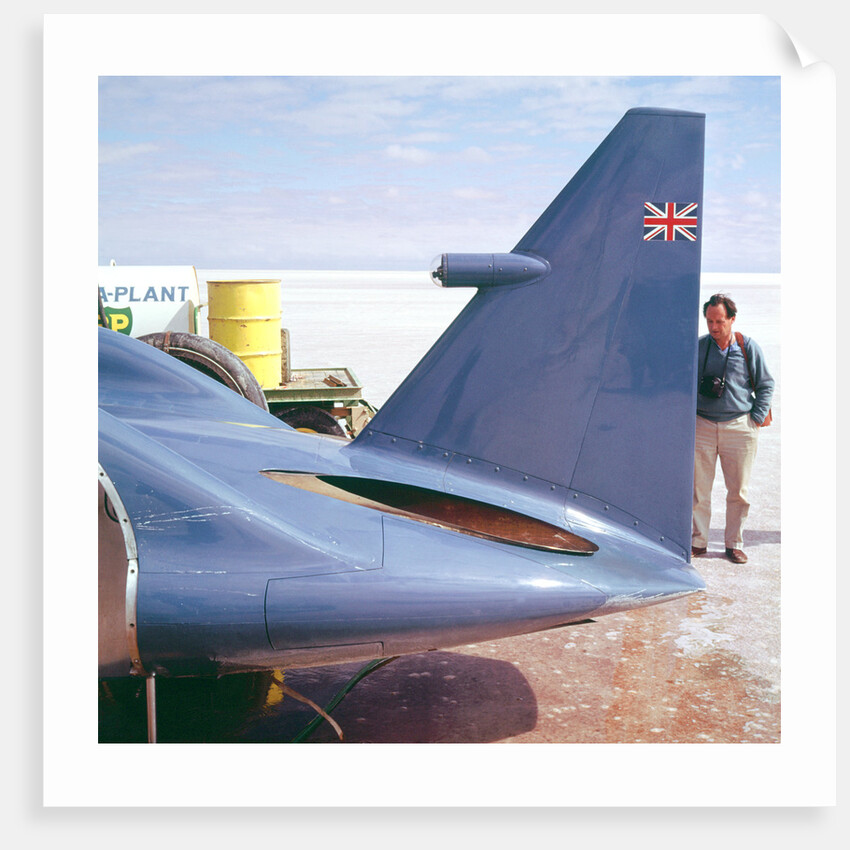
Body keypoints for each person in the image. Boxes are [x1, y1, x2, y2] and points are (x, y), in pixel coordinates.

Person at [692, 293, 774, 564]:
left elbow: (765, 384)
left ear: (732, 319)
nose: (714, 327)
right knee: (698, 490)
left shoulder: (748, 347)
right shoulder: (699, 347)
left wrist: (755, 418)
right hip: (702, 424)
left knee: (738, 491)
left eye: (719, 321)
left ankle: (734, 544)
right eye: (709, 321)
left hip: (739, 426)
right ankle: (698, 541)